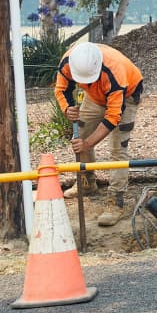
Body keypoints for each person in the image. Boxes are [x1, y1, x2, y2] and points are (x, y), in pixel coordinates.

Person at [54, 42, 144, 227]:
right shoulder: (68, 63)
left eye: (89, 79)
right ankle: (87, 182)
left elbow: (112, 117)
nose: (85, 83)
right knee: (81, 135)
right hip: (94, 98)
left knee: (118, 149)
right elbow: (61, 90)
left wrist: (88, 144)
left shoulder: (114, 71)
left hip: (126, 94)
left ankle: (116, 200)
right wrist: (67, 109)